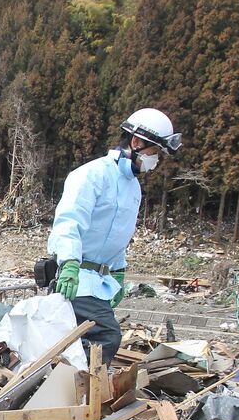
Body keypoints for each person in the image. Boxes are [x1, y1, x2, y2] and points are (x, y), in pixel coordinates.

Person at [47, 108, 181, 363]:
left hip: (99, 280)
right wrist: (70, 263)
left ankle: (71, 387)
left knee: (77, 340)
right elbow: (68, 223)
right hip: (75, 276)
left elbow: (119, 234)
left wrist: (118, 271)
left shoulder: (133, 188)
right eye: (155, 153)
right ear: (137, 142)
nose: (156, 160)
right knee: (106, 336)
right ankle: (77, 392)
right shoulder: (91, 175)